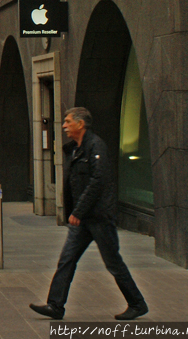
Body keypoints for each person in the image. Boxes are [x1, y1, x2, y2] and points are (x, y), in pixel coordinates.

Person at [30, 108, 147, 321]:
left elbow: (98, 182)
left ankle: (137, 304)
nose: (64, 126)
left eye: (67, 122)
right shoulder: (77, 148)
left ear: (80, 124)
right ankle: (55, 305)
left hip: (99, 218)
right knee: (67, 259)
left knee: (113, 263)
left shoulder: (96, 146)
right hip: (83, 220)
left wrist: (78, 211)